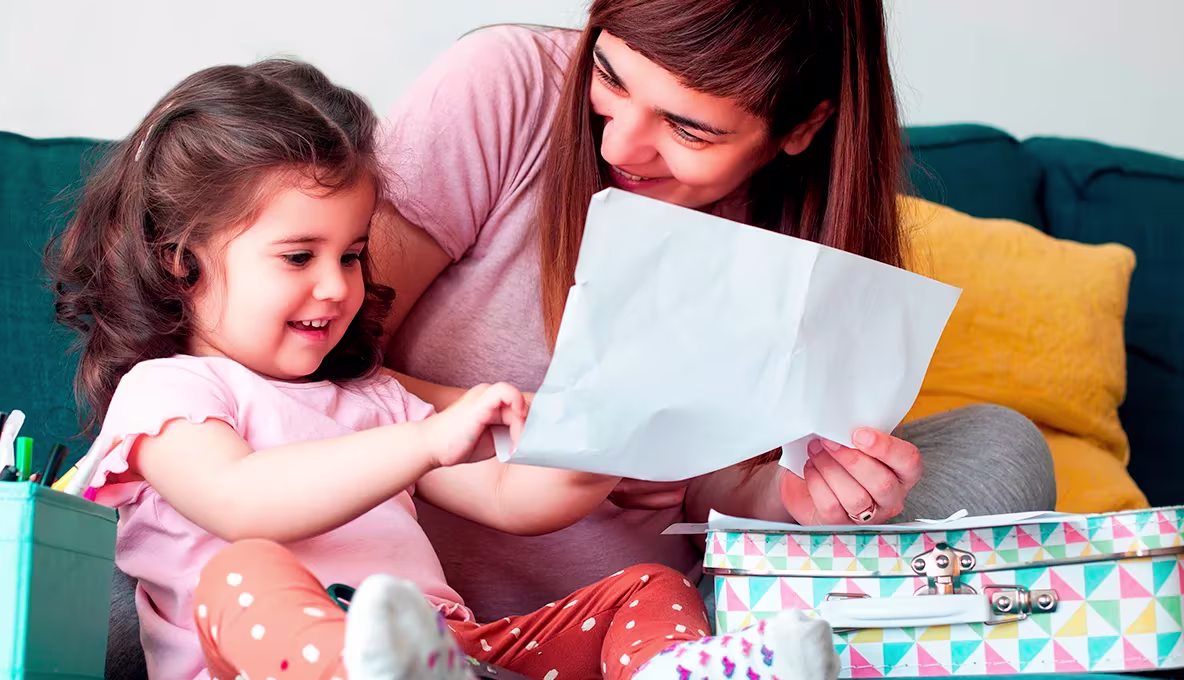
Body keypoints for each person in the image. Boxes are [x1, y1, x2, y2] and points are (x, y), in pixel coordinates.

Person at [47, 58, 841, 680]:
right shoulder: (168, 393)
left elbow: (513, 495)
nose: (338, 286)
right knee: (242, 570)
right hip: (265, 664)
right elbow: (244, 502)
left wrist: (619, 423)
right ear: (180, 261)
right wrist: (427, 444)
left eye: (353, 254)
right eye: (298, 256)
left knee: (644, 586)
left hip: (456, 654)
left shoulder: (372, 397)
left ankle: (684, 673)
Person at [373, 0, 1057, 622]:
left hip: (671, 616)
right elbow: (306, 364)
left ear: (804, 125)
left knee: (998, 445)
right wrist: (533, 425)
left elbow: (707, 494)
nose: (617, 147)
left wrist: (796, 498)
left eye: (687, 128)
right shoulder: (503, 89)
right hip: (423, 603)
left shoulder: (799, 224)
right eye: (610, 77)